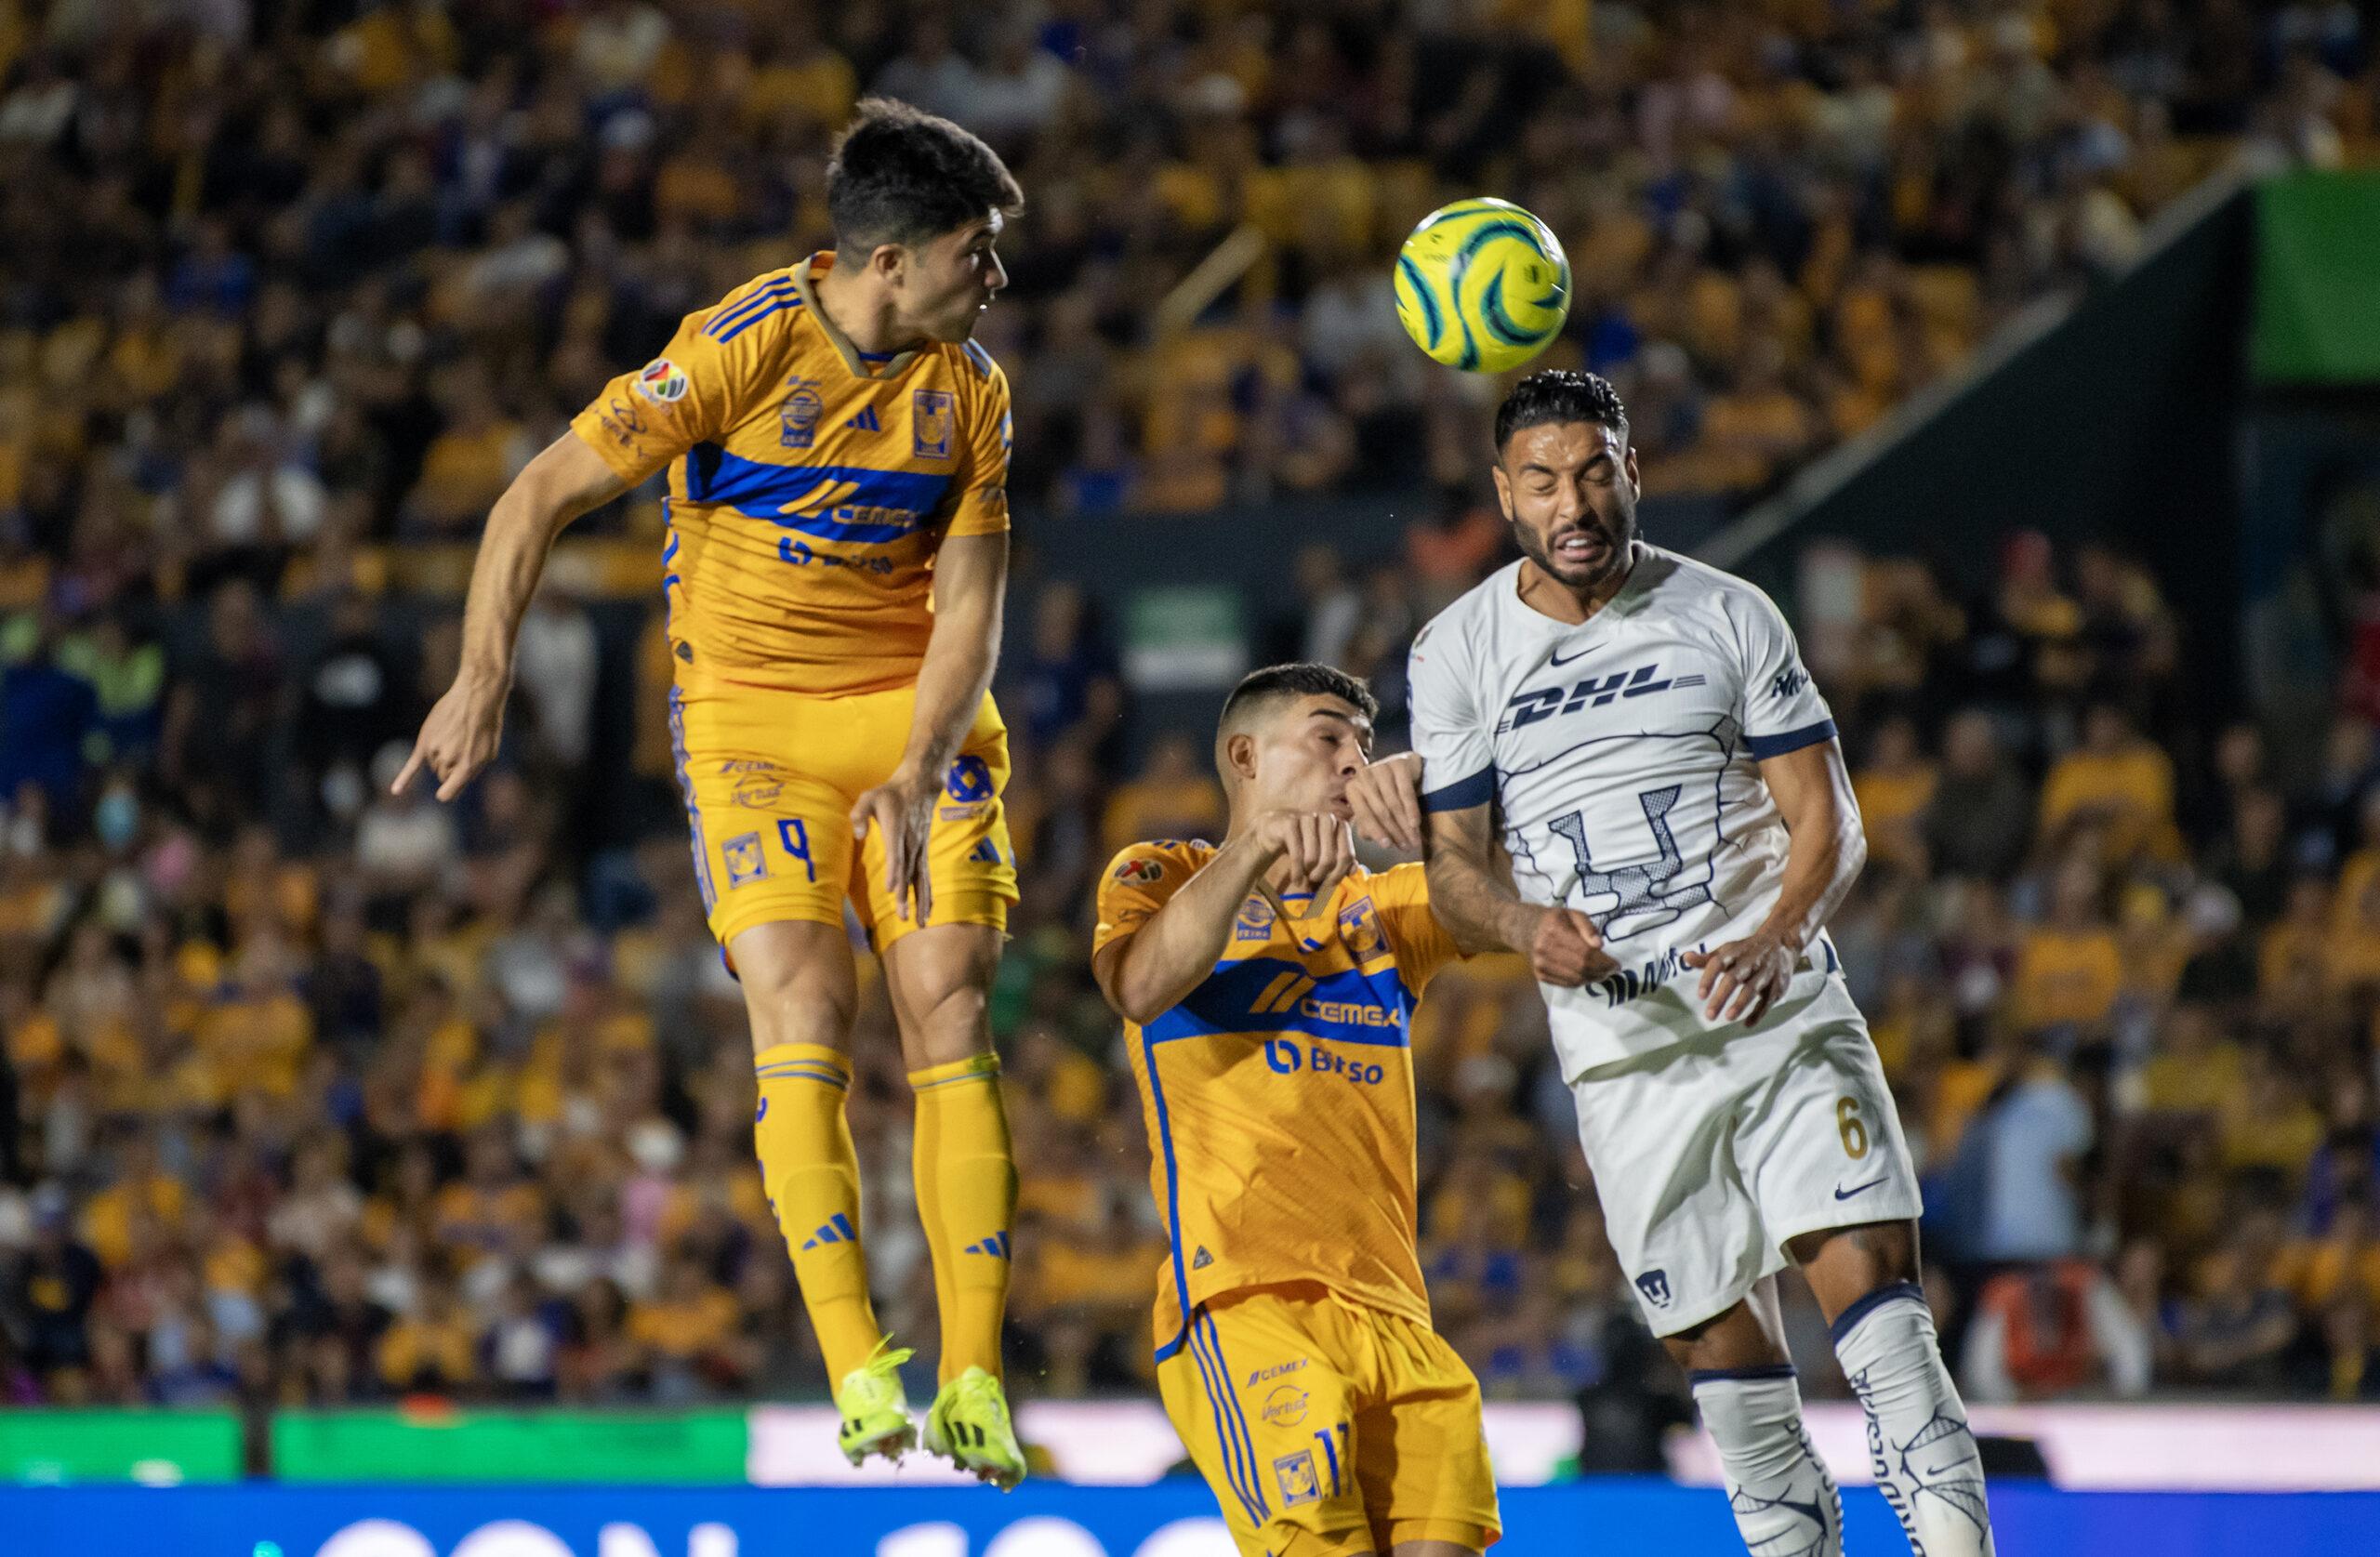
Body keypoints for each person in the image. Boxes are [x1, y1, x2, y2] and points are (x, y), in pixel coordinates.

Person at [393, 99, 1026, 1484]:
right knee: (803, 1009)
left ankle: (976, 1375)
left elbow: (972, 607)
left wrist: (921, 764)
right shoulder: (736, 349)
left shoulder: (971, 387)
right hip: (751, 726)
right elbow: (536, 493)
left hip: (911, 711)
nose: (996, 278)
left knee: (950, 999)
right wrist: (481, 672)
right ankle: (861, 1367)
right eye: (978, 251)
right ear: (892, 260)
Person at [1388, 369, 1997, 1557]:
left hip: (1780, 1018)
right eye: (1545, 480)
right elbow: (1453, 867)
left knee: (1888, 1340)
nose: (1576, 501)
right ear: (1505, 496)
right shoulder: (1456, 652)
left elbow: (1832, 823)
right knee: (1745, 1421)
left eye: (1595, 470)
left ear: (1631, 470)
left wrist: (1773, 938)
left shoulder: (1725, 612)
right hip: (1625, 1062)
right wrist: (1520, 925)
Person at [1091, 663, 1501, 1557]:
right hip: (1246, 1299)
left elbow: (1527, 881)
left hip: (1399, 1317)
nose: (1355, 762)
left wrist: (1446, 800)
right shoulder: (1163, 872)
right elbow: (1139, 983)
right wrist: (1260, 850)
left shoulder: (1387, 915)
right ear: (1246, 754)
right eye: (1329, 738)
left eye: (1365, 744)